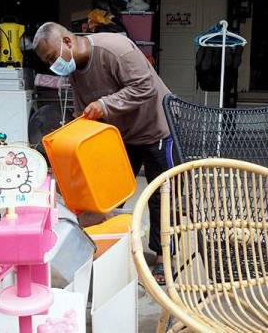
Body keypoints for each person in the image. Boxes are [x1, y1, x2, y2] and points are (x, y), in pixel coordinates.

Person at [32, 22, 172, 284]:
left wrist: (105, 104)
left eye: (53, 57)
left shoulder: (115, 50)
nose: (54, 65)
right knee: (105, 192)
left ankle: (164, 255)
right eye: (48, 62)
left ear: (68, 41)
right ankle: (105, 246)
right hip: (119, 134)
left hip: (155, 128)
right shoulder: (74, 70)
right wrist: (67, 152)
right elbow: (82, 114)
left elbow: (145, 87)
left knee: (159, 195)